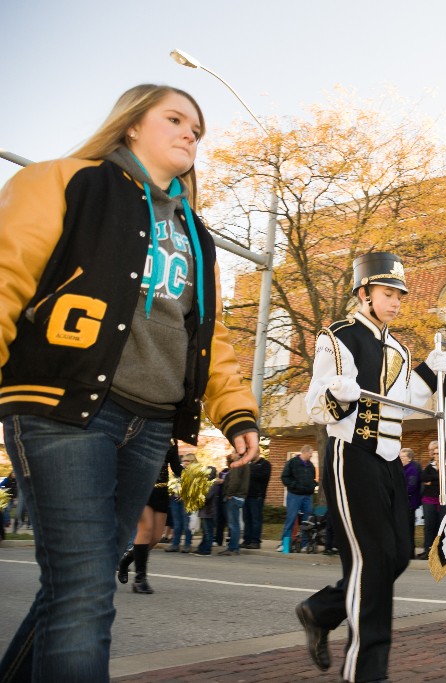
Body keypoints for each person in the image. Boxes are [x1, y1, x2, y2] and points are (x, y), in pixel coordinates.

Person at [0, 84, 260, 681]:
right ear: (132, 124)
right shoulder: (64, 181)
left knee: (75, 587)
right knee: (86, 589)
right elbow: (7, 278)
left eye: (198, 127)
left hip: (151, 425)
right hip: (63, 409)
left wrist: (237, 411)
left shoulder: (197, 234)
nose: (191, 132)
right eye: (175, 118)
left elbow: (206, 336)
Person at [295, 251, 446, 683]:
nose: (396, 301)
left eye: (399, 294)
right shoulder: (338, 335)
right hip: (352, 457)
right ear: (363, 294)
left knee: (397, 555)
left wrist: (430, 375)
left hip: (388, 463)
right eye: (387, 293)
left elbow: (407, 400)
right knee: (371, 562)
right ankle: (365, 672)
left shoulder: (398, 345)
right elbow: (316, 404)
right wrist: (339, 396)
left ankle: (322, 611)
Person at [117, 444, 184, 592]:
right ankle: (140, 579)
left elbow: (175, 466)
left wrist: (192, 475)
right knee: (145, 530)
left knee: (154, 538)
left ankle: (126, 560)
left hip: (161, 491)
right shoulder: (140, 430)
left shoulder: (172, 439)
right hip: (140, 488)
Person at [280, 445, 317, 552]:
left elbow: (313, 479)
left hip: (307, 496)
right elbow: (284, 477)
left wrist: (313, 485)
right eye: (310, 453)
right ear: (305, 452)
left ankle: (305, 545)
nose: (311, 455)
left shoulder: (311, 466)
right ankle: (284, 543)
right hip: (294, 495)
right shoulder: (292, 462)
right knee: (291, 519)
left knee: (307, 522)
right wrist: (295, 485)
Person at [219, 448, 250, 556]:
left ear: (238, 453)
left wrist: (229, 494)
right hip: (240, 497)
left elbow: (235, 481)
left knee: (233, 524)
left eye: (233, 452)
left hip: (234, 497)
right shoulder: (246, 463)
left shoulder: (238, 464)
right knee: (235, 523)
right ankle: (234, 547)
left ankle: (232, 548)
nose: (231, 455)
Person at [243, 439, 272, 549]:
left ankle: (255, 541)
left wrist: (251, 470)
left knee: (256, 519)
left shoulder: (265, 464)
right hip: (247, 495)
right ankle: (247, 540)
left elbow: (262, 476)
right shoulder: (249, 465)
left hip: (257, 496)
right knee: (247, 519)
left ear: (258, 453)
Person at [165, 451, 196, 553]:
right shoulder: (177, 471)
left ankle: (187, 545)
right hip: (175, 499)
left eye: (187, 460)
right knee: (177, 524)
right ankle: (175, 544)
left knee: (186, 524)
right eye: (183, 460)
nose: (185, 462)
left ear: (192, 461)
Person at [191, 466, 221, 557]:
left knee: (208, 531)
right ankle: (202, 548)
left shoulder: (213, 484)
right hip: (205, 511)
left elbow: (207, 497)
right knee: (205, 531)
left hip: (209, 511)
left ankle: (207, 549)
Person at [418, 441, 441, 560]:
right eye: (433, 452)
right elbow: (423, 478)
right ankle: (427, 550)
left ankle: (437, 552)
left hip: (442, 501)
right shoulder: (430, 465)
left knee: (439, 527)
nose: (432, 453)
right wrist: (438, 478)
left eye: (435, 451)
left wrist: (431, 481)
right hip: (429, 500)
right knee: (429, 526)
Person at [400, 447, 422, 559]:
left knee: (408, 529)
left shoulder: (412, 470)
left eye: (403, 457)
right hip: (402, 503)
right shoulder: (401, 469)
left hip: (409, 504)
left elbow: (411, 487)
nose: (400, 458)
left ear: (409, 458)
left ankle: (409, 553)